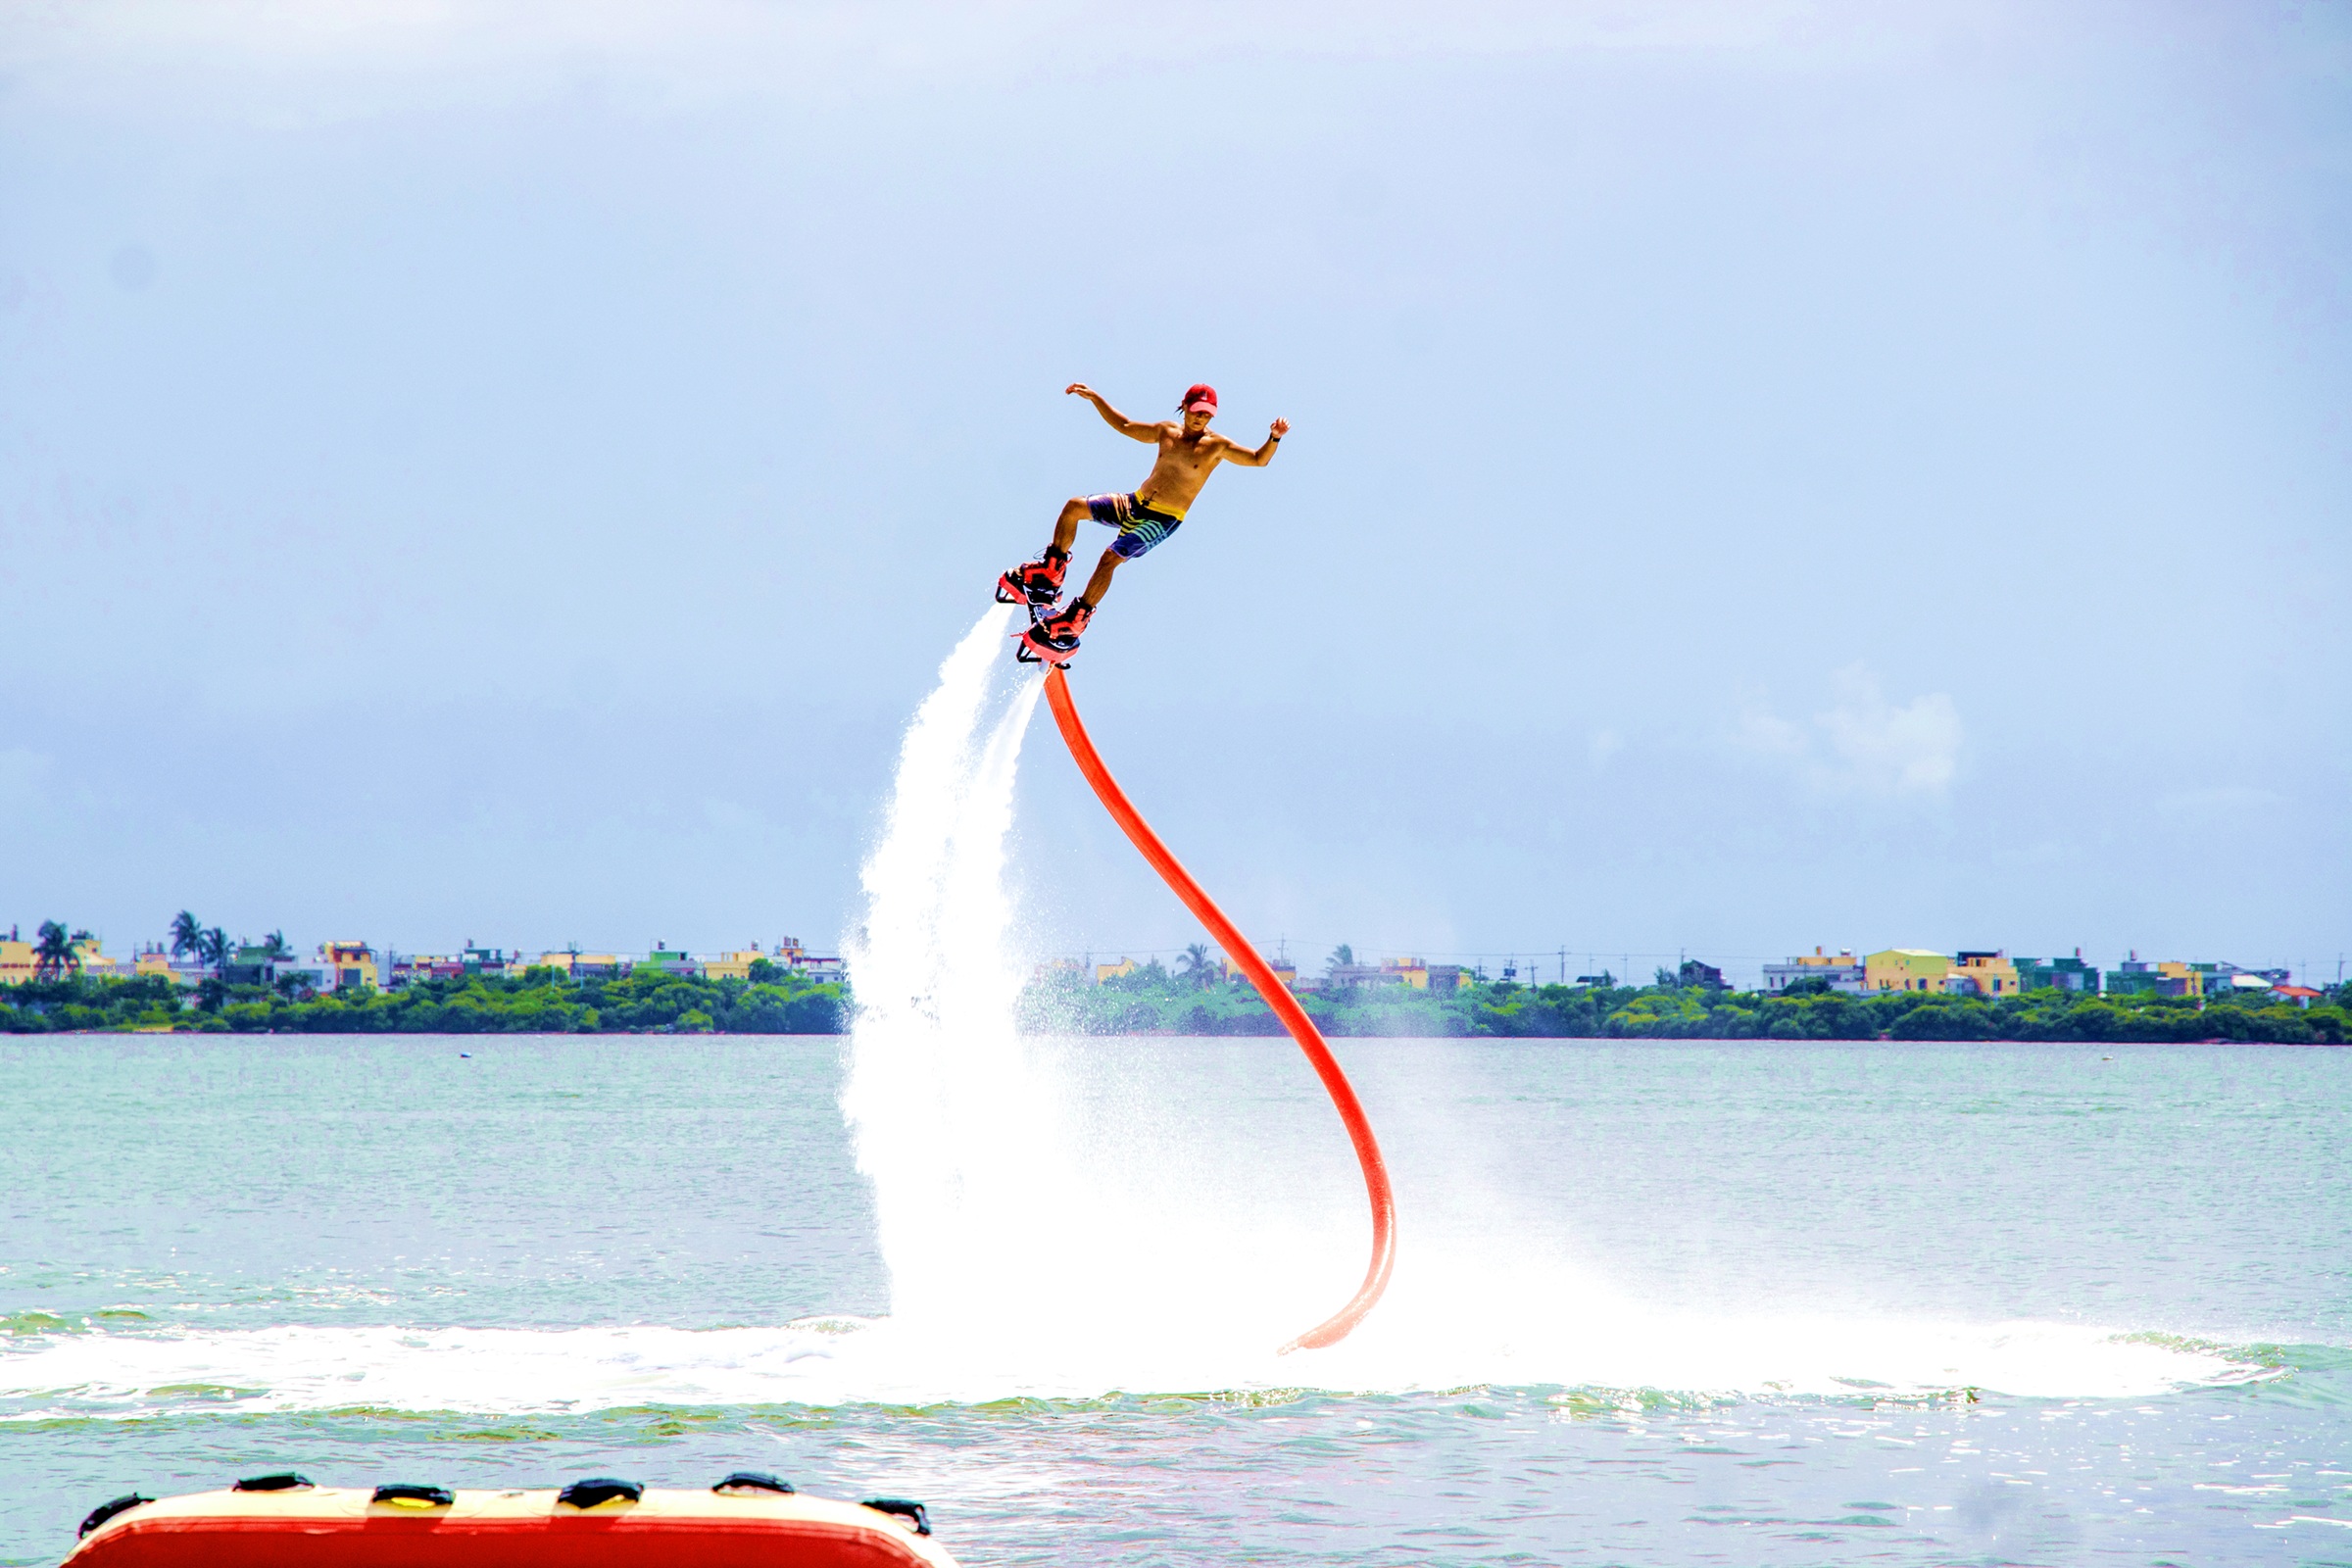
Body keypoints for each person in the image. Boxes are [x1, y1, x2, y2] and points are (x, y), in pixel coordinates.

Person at [1000, 381, 1289, 664]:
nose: (1201, 418)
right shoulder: (1166, 431)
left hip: (1162, 519)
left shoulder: (1217, 446)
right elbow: (1125, 426)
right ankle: (1049, 574)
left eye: (1207, 414)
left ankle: (1075, 621)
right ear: (1184, 407)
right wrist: (1096, 399)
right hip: (1134, 503)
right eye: (1197, 411)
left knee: (1110, 557)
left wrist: (1274, 437)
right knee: (1074, 507)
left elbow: (1258, 459)